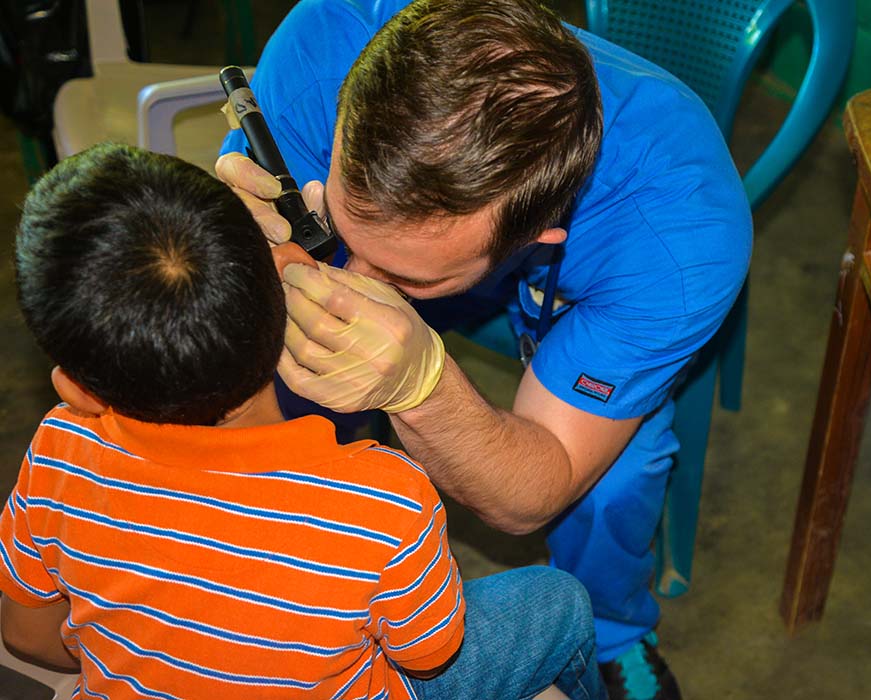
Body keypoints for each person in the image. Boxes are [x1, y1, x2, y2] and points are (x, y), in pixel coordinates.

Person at [218, 1, 754, 698]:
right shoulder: (325, 40)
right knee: (266, 382)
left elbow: (536, 487)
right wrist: (253, 243)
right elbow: (244, 250)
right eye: (351, 231)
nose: (359, 292)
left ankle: (616, 632)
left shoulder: (680, 234)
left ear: (539, 238)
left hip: (583, 295)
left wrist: (422, 386)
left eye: (404, 278)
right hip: (482, 263)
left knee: (619, 475)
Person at [0, 142, 606, 700]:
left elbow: (27, 637)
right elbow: (428, 654)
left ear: (75, 387)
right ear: (282, 300)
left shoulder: (59, 448)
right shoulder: (386, 497)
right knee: (559, 600)